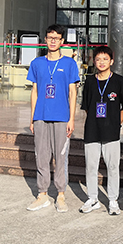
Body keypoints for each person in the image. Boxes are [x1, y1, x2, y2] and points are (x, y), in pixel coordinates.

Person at [26, 25, 80, 212]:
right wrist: (32, 118)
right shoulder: (37, 63)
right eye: (50, 37)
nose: (53, 41)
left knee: (61, 156)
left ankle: (61, 194)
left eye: (56, 38)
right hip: (41, 116)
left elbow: (73, 93)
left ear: (62, 41)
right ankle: (42, 194)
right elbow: (34, 91)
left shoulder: (69, 64)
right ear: (45, 39)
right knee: (41, 155)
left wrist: (71, 119)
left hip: (61, 117)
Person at [79, 45, 123, 216]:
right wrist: (96, 121)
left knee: (113, 166)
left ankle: (113, 200)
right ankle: (92, 198)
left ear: (111, 61)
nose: (101, 62)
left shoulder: (119, 81)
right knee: (91, 166)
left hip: (111, 132)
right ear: (94, 61)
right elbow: (87, 106)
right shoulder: (90, 81)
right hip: (92, 130)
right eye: (98, 59)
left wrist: (115, 123)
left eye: (105, 59)